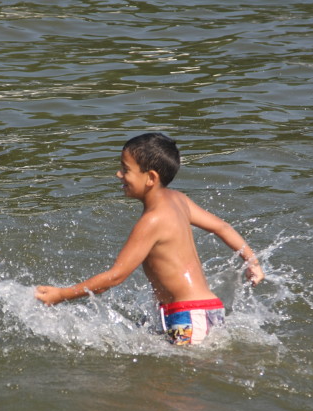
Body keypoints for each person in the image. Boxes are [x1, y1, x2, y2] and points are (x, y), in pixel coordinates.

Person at [34, 133, 264, 345]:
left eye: (125, 169)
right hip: (203, 309)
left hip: (187, 315)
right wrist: (252, 261)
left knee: (176, 382)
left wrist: (62, 294)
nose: (119, 174)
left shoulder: (152, 221)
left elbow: (116, 276)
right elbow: (222, 226)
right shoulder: (179, 200)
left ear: (150, 178)